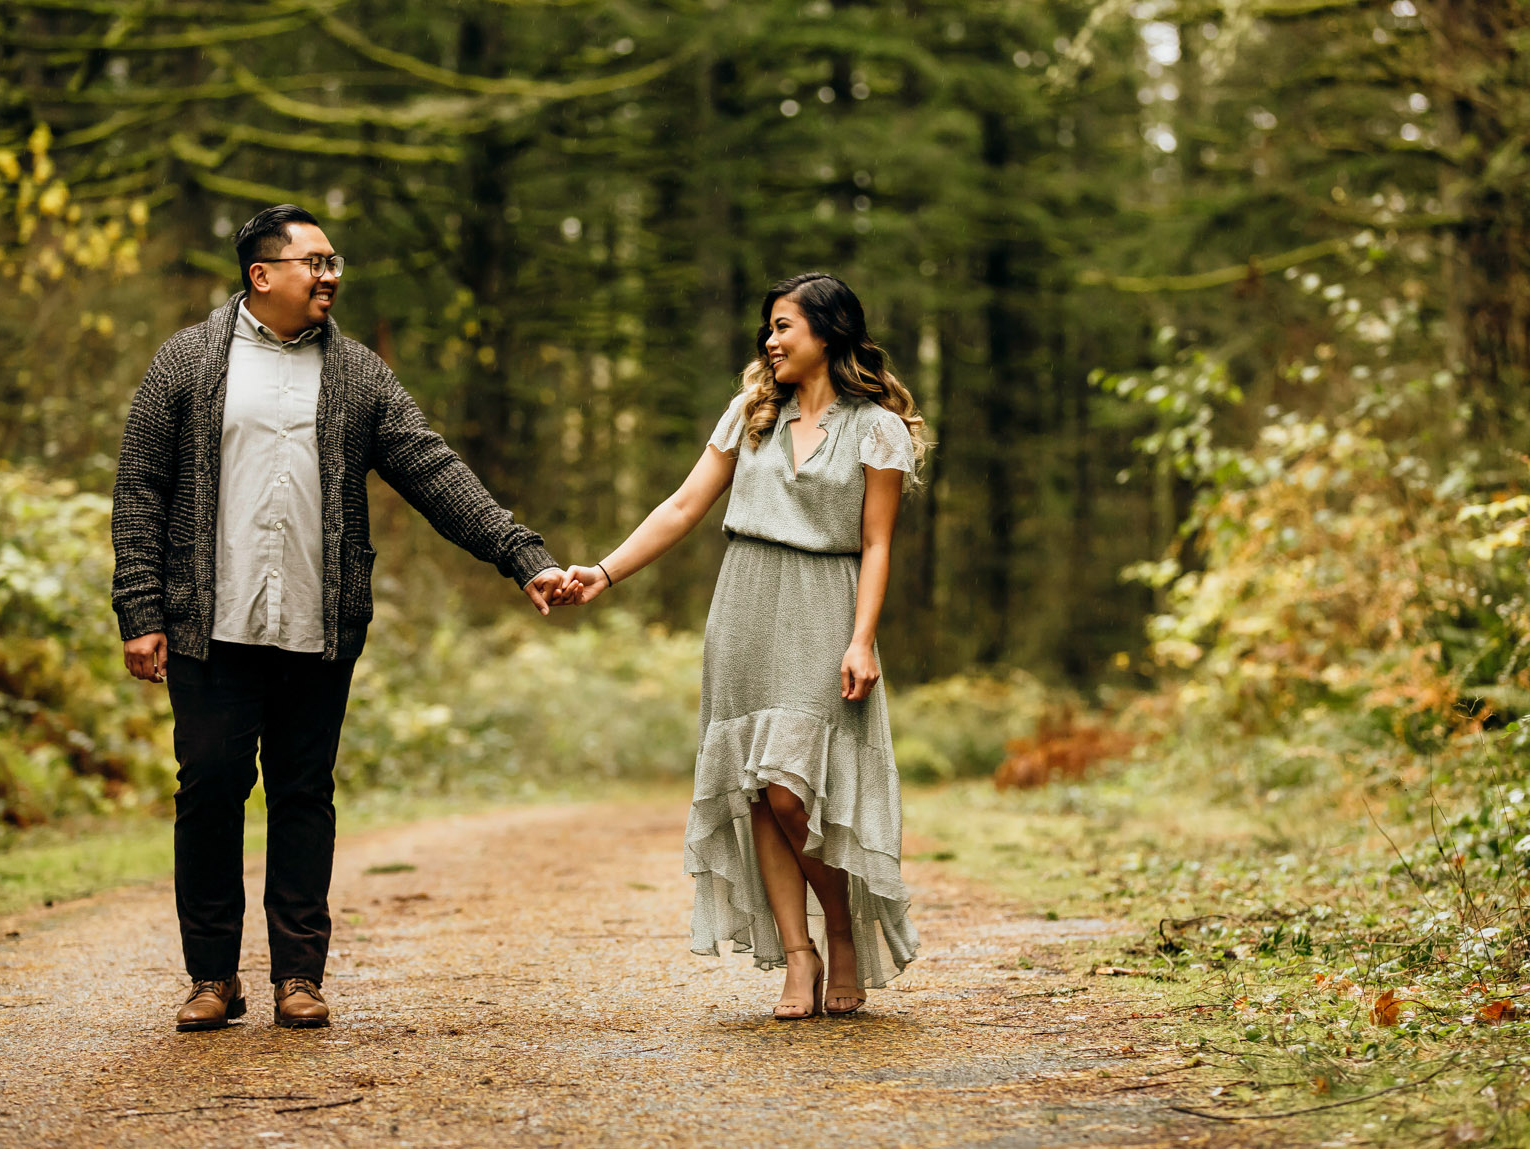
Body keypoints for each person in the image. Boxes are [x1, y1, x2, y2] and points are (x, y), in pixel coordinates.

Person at [110, 204, 572, 1032]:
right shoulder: (185, 361)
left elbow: (431, 468)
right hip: (206, 625)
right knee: (208, 792)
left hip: (317, 629)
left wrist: (520, 553)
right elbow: (140, 487)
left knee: (302, 795)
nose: (331, 275)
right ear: (263, 276)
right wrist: (139, 609)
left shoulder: (357, 374)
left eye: (335, 262)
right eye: (314, 262)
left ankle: (297, 975)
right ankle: (212, 975)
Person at [563, 273, 926, 1019]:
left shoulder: (878, 428)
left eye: (786, 325)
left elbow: (878, 541)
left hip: (826, 606)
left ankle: (845, 933)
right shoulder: (750, 414)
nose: (771, 339)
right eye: (769, 327)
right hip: (745, 604)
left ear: (828, 332)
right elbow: (683, 504)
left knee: (796, 793)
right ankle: (800, 954)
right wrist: (604, 572)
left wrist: (863, 639)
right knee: (759, 788)